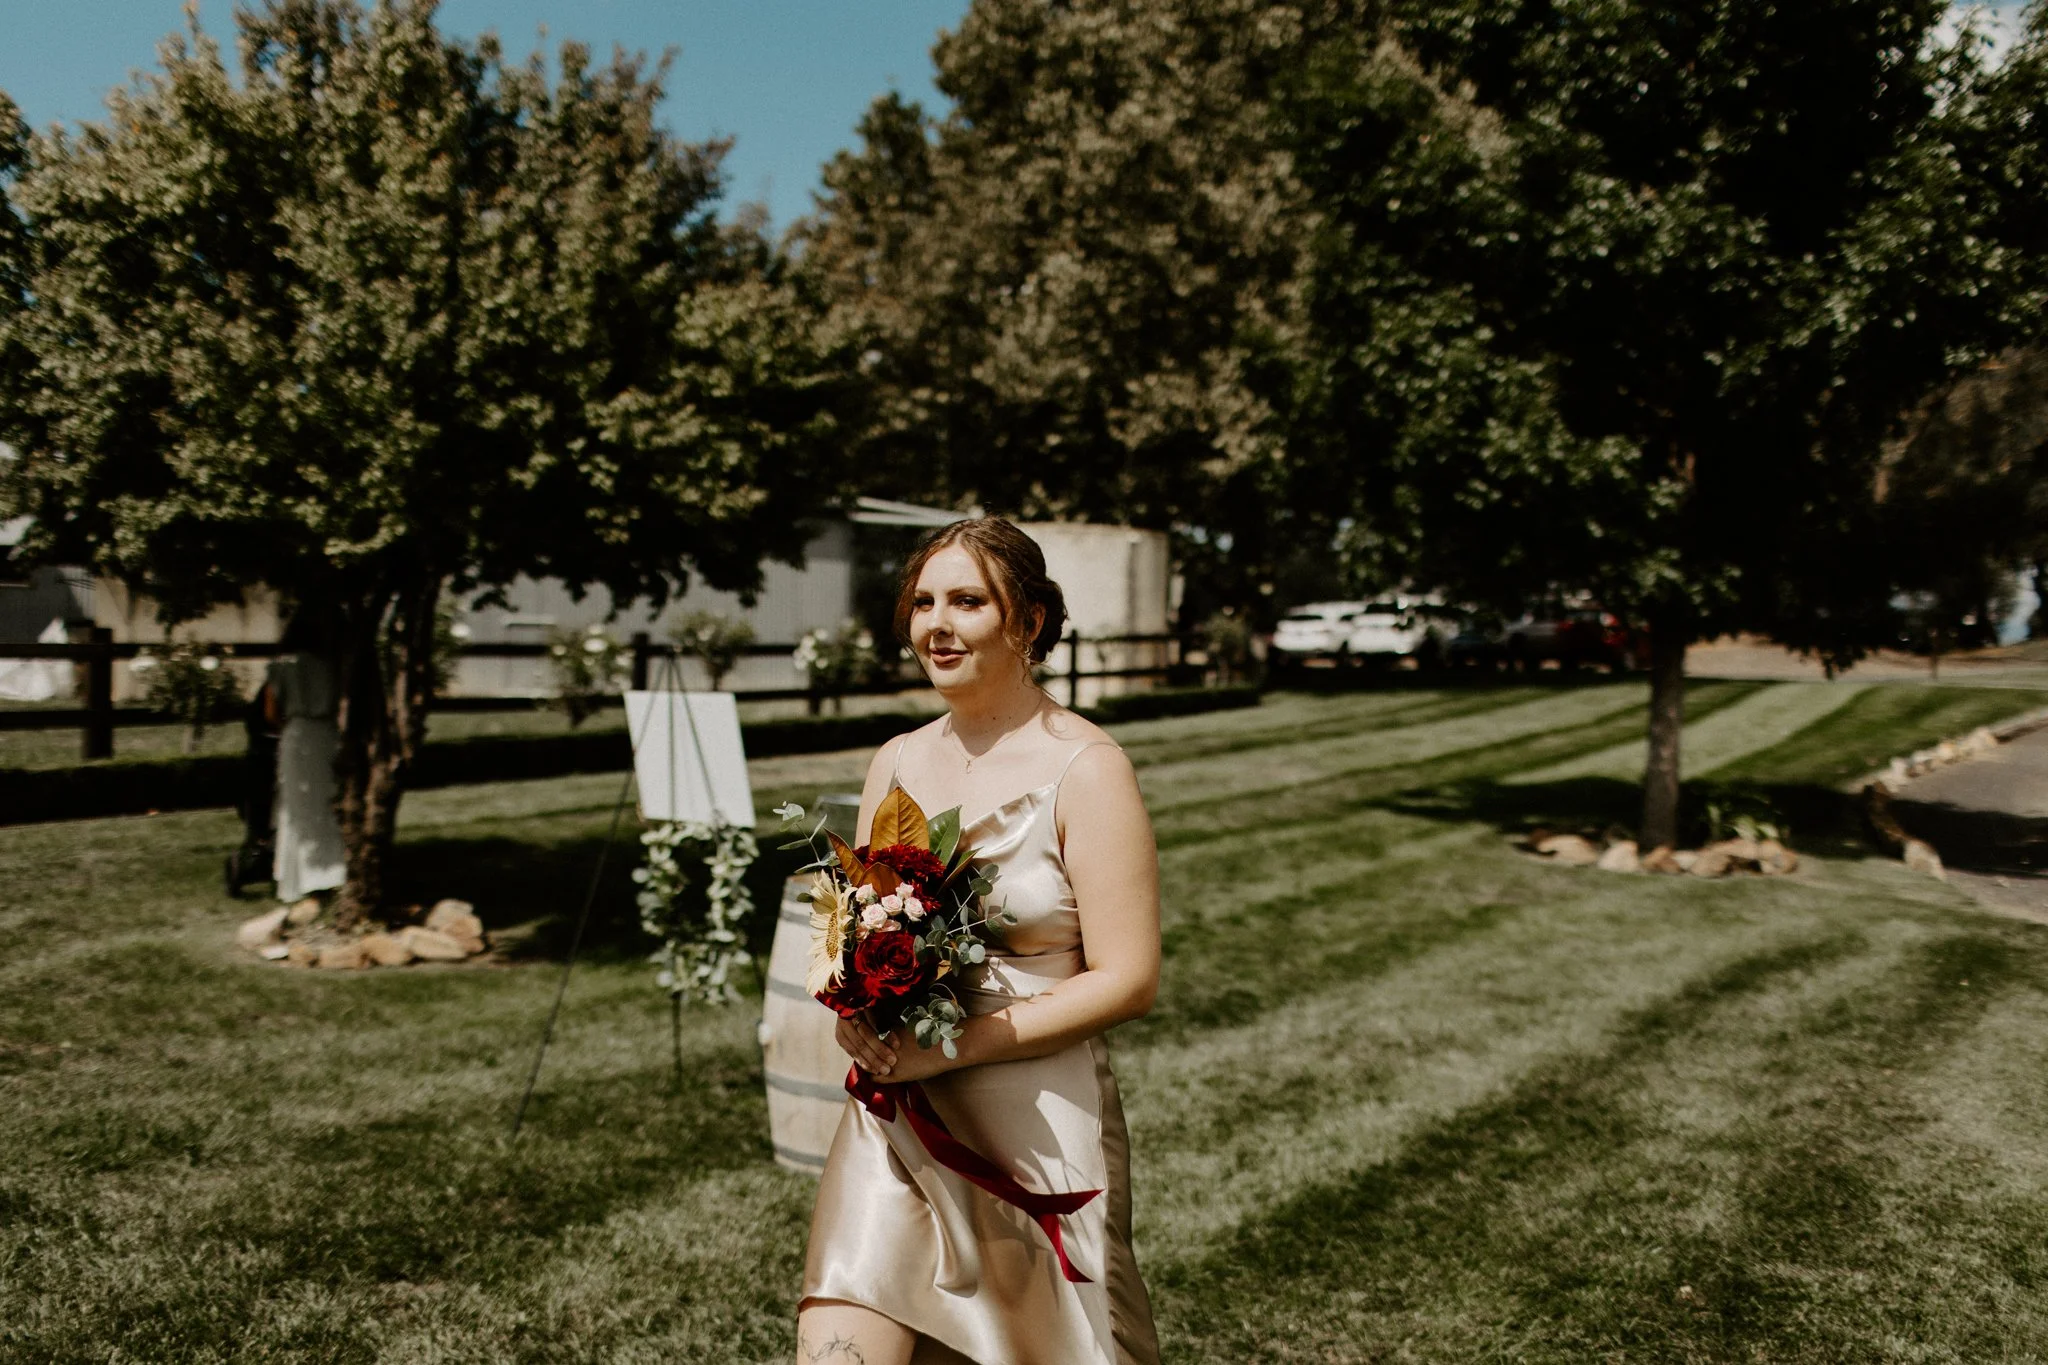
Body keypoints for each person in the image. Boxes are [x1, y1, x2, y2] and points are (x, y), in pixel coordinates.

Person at [798, 517, 1163, 1365]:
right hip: (900, 1115)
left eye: (967, 601)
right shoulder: (894, 761)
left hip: (1035, 1123)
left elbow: (1129, 977)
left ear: (1028, 620)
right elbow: (857, 926)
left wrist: (956, 1044)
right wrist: (853, 1010)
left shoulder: (1088, 768)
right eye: (924, 601)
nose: (937, 623)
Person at [265, 614, 346, 905]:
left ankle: (301, 878)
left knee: (297, 806)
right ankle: (333, 873)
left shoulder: (282, 665)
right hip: (327, 734)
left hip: (297, 735)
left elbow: (270, 713)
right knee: (327, 803)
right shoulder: (333, 665)